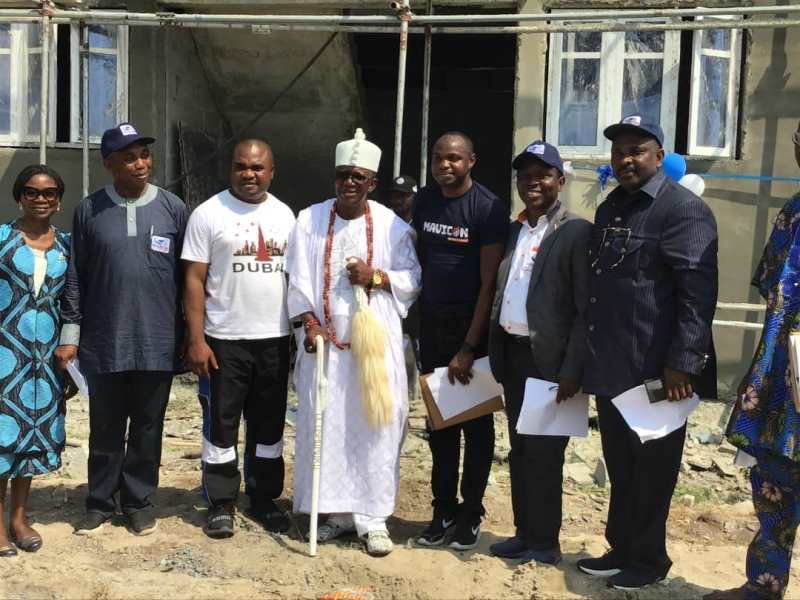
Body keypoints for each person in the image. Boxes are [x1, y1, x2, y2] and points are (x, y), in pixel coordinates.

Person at [579, 116, 718, 590]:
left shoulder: (683, 210)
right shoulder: (612, 208)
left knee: (654, 469)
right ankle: (622, 547)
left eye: (636, 150)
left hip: (660, 371)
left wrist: (683, 362)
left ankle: (649, 559)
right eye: (618, 151)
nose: (625, 159)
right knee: (620, 463)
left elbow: (696, 294)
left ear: (659, 155)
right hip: (615, 364)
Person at [286, 128, 421, 557]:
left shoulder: (392, 226)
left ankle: (372, 518)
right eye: (343, 174)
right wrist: (309, 324)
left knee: (376, 424)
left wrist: (375, 277)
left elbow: (413, 278)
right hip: (325, 346)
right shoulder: (308, 220)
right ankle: (332, 514)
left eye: (358, 177)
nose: (348, 183)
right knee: (326, 424)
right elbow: (297, 280)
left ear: (372, 183)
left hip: (374, 344)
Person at [57, 123, 189, 536]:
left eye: (145, 155)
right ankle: (99, 502)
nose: (140, 164)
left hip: (158, 341)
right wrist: (71, 337)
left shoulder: (172, 208)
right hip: (104, 339)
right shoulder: (89, 210)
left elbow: (189, 277)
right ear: (108, 163)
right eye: (129, 157)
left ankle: (138, 501)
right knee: (106, 426)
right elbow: (76, 276)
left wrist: (188, 336)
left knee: (149, 427)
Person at [704, 121, 800, 600]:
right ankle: (764, 585)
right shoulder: (792, 213)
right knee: (773, 486)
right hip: (782, 381)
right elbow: (773, 298)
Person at [182, 139, 295, 539]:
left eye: (257, 168)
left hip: (274, 340)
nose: (249, 174)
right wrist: (197, 340)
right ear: (231, 169)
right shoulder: (208, 214)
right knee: (220, 427)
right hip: (223, 341)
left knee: (269, 428)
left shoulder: (285, 216)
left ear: (271, 171)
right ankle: (221, 502)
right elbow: (194, 280)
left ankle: (264, 499)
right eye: (241, 167)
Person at [487, 141, 590, 565]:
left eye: (543, 174)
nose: (533, 182)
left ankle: (545, 542)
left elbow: (586, 308)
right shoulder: (514, 231)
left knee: (546, 454)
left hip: (550, 363)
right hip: (513, 356)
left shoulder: (575, 232)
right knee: (521, 449)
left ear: (560, 182)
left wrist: (574, 369)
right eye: (525, 175)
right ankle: (524, 532)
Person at [413, 132, 508, 550]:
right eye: (438, 158)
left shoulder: (487, 208)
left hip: (471, 335)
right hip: (431, 333)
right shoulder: (424, 201)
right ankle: (442, 509)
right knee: (440, 427)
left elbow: (489, 282)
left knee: (476, 427)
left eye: (453, 158)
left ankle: (471, 513)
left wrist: (469, 346)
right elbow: (418, 261)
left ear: (471, 161)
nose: (444, 165)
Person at [0, 166, 71, 557]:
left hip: (45, 361)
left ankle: (19, 518)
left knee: (30, 438)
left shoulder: (66, 246)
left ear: (58, 199)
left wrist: (71, 346)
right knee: (1, 437)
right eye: (31, 191)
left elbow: (72, 301)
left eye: (48, 192)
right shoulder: (2, 239)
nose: (40, 198)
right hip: (4, 355)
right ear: (19, 196)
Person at [388, 175, 420, 399]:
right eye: (395, 195)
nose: (399, 200)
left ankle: (418, 398)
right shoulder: (384, 224)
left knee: (417, 352)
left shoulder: (422, 225)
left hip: (419, 300)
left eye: (405, 195)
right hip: (391, 296)